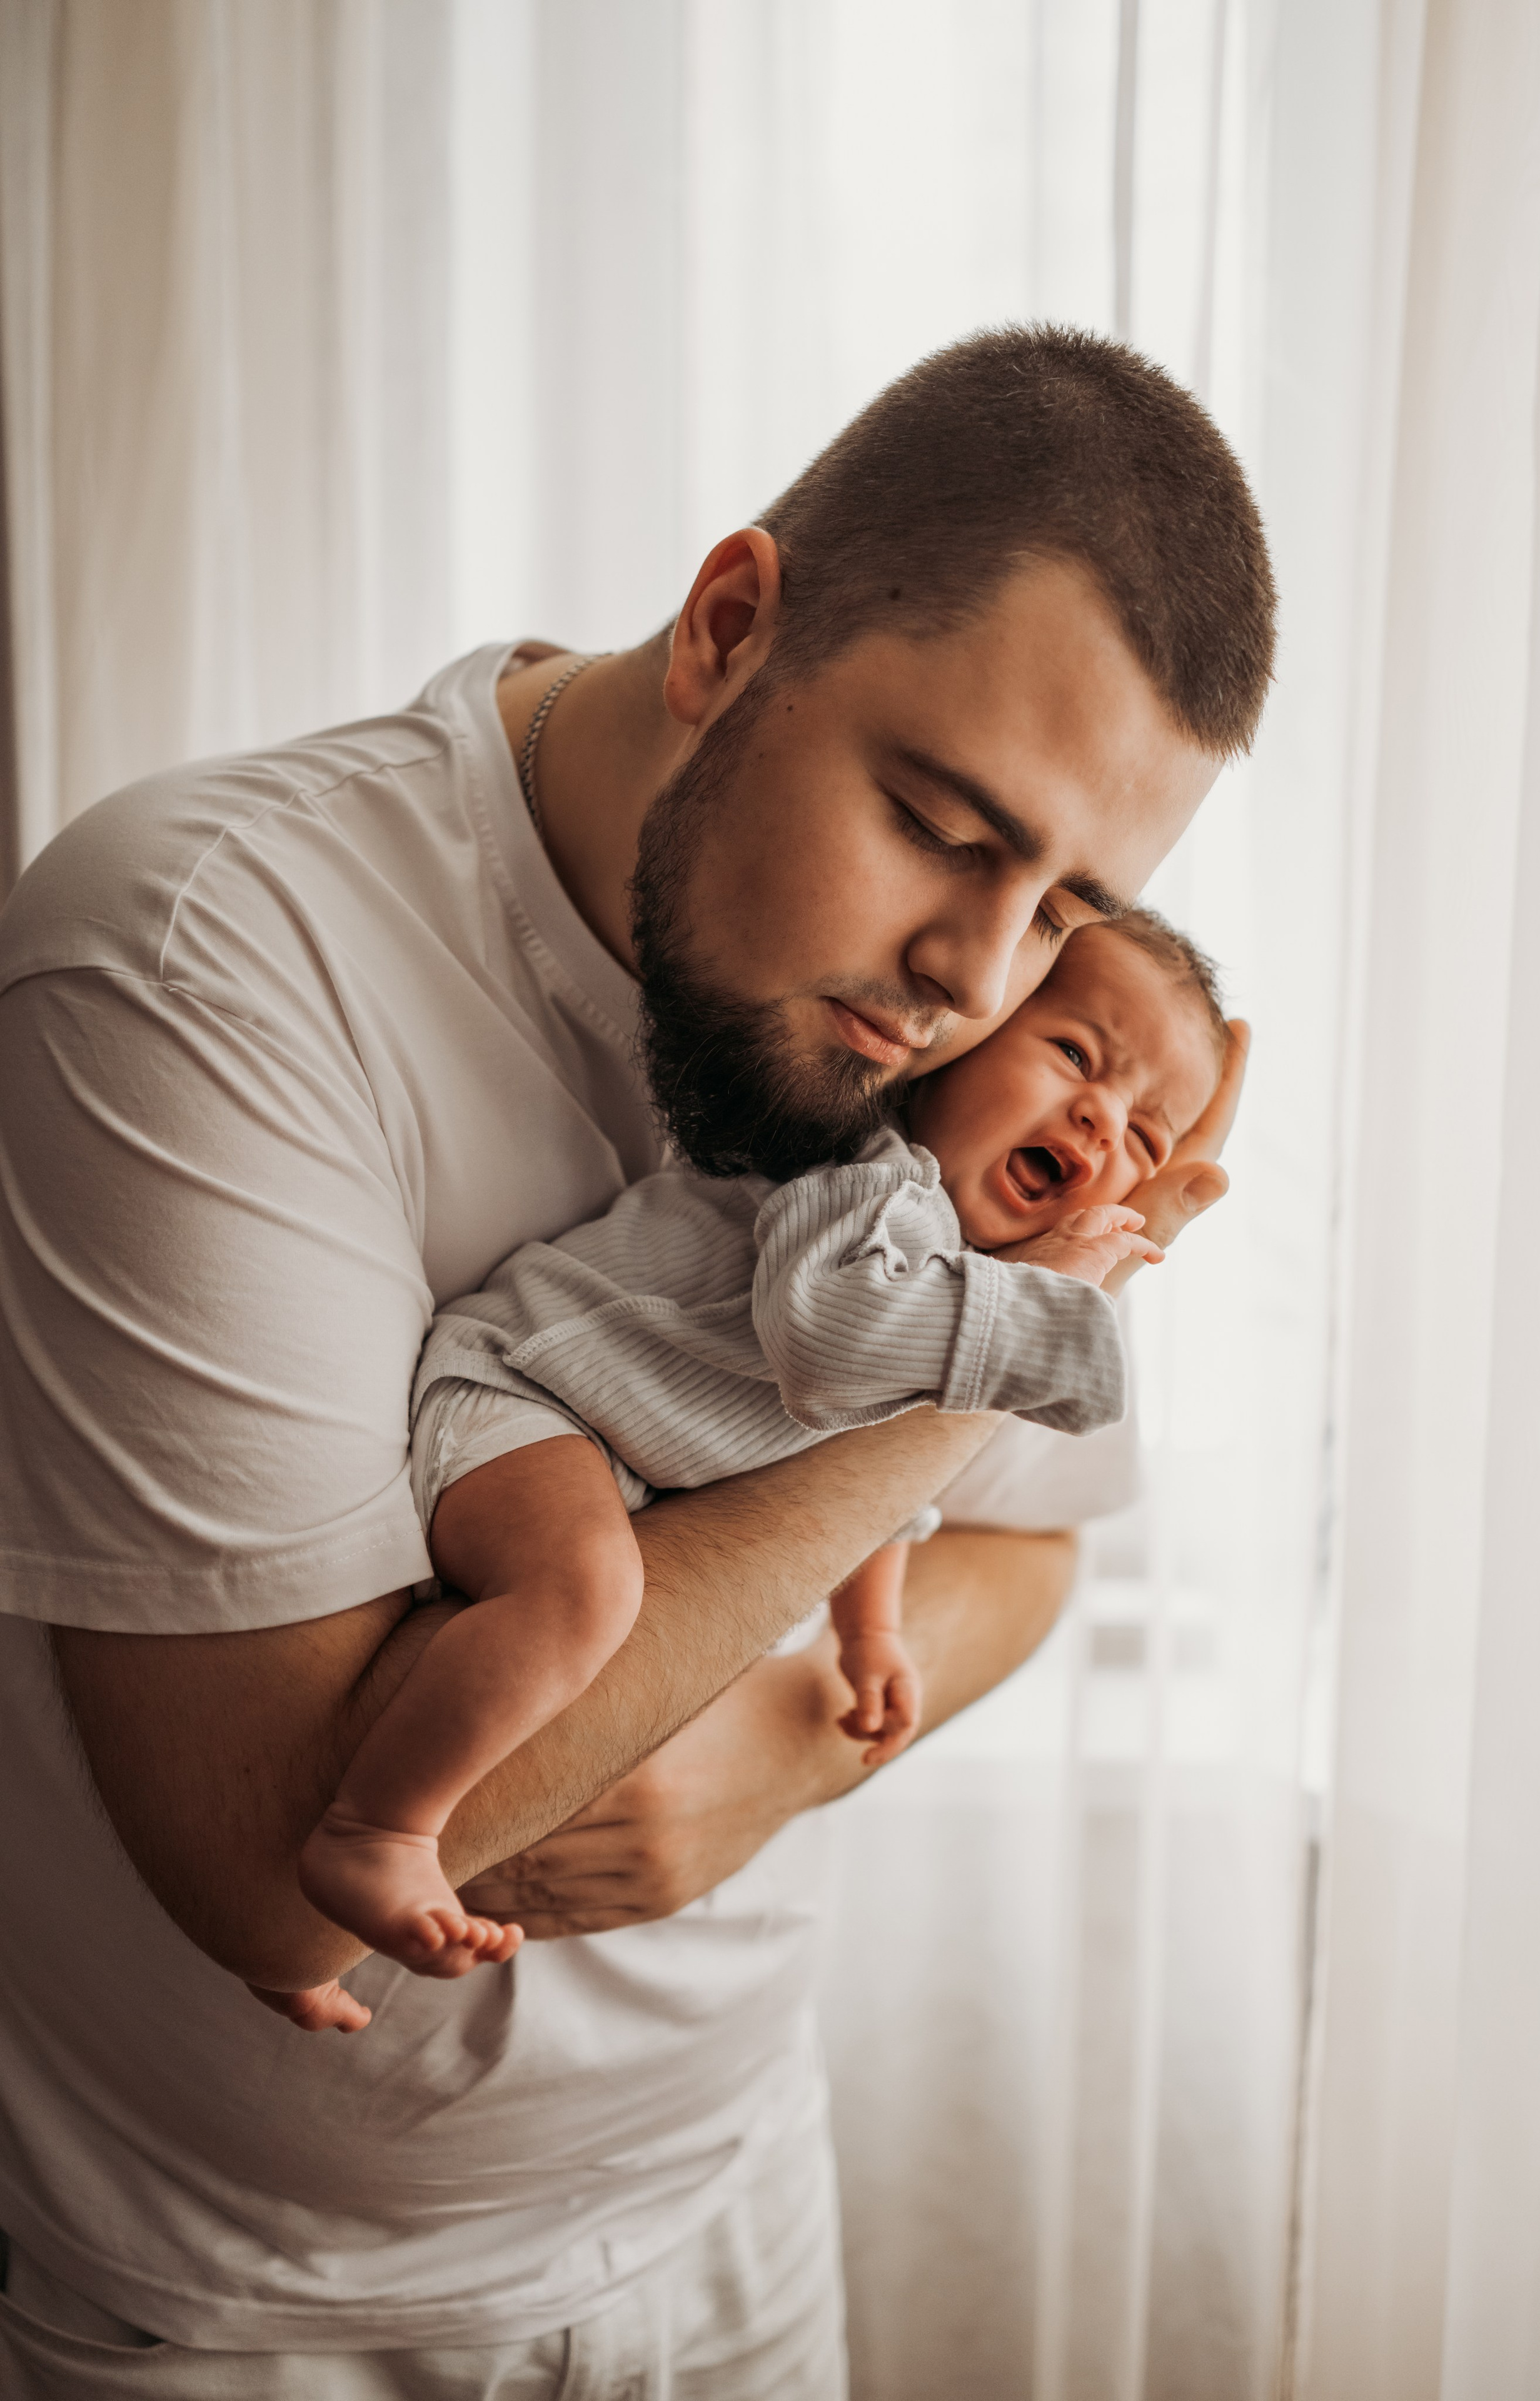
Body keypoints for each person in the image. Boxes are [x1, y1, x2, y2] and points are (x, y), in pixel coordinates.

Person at [0, 326, 1272, 2397]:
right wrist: (981, 1360)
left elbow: (1028, 1562)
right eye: (946, 827)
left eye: (1066, 908)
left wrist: (779, 1755)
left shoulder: (952, 1032)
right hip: (254, 2318)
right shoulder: (199, 961)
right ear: (730, 627)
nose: (975, 977)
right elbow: (267, 1878)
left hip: (733, 2214)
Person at [290, 909, 1229, 2032]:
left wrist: (869, 1633)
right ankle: (372, 1834)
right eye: (1076, 1055)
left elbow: (869, 1484)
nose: (1099, 1117)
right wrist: (1065, 1304)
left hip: (604, 1457)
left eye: (1147, 1138)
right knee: (582, 1599)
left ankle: (305, 1929)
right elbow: (831, 1340)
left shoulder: (953, 1275)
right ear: (955, 1043)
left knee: (482, 1669)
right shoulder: (872, 1174)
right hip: (521, 1392)